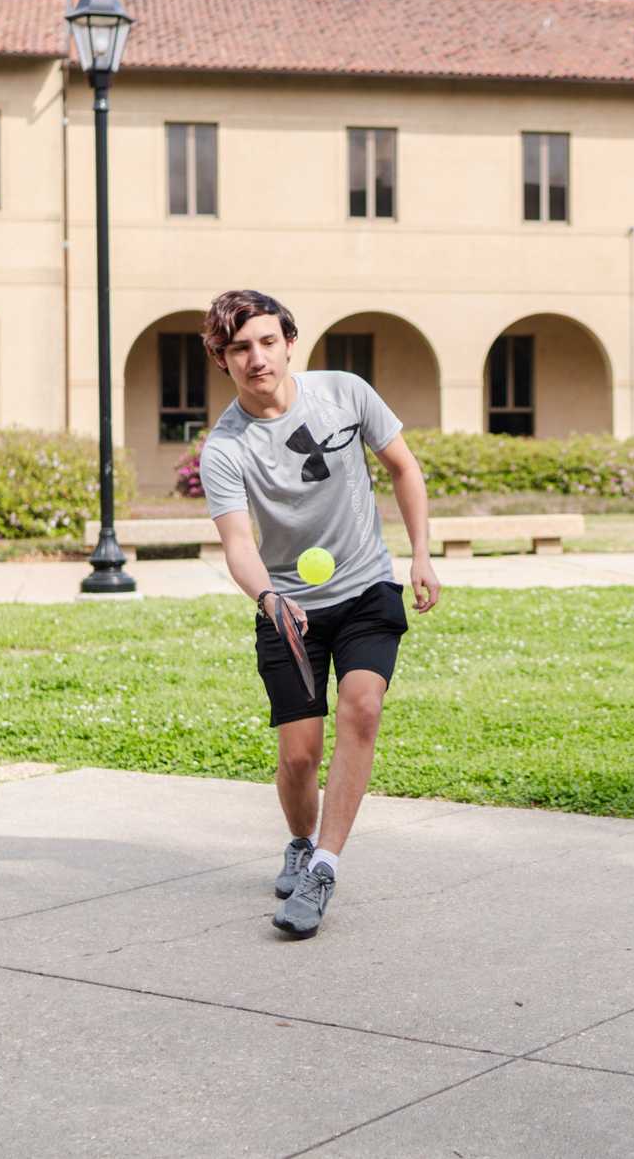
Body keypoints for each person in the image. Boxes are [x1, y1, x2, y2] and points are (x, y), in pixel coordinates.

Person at [198, 290, 440, 939]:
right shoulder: (225, 448)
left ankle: (324, 865)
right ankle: (301, 841)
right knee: (299, 758)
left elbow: (403, 467)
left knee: (364, 706)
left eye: (267, 341)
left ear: (288, 341)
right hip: (288, 609)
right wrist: (268, 598)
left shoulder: (345, 393)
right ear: (222, 359)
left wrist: (419, 554)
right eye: (240, 348)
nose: (256, 357)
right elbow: (238, 543)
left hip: (365, 590)